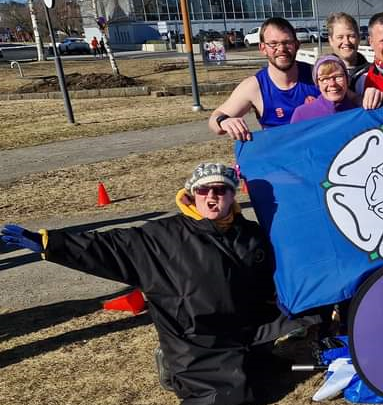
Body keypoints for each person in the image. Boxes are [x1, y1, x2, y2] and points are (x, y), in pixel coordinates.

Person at [0, 163, 319, 405]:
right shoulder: (160, 237)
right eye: (204, 190)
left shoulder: (251, 234)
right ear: (192, 195)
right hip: (197, 340)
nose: (212, 197)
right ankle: (175, 368)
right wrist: (49, 243)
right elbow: (106, 247)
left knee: (273, 377)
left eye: (220, 190)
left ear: (233, 195)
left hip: (247, 331)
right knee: (230, 397)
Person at [209, 17, 320, 141]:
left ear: (297, 45)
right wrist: (224, 121)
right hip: (281, 156)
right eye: (273, 44)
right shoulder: (254, 86)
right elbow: (214, 120)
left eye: (287, 42)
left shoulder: (318, 75)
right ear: (263, 48)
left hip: (321, 154)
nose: (281, 49)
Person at [291, 55, 360, 123]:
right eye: (325, 79)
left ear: (347, 79)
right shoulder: (302, 114)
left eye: (338, 77)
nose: (332, 84)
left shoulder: (359, 111)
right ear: (317, 84)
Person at [326, 12, 370, 89]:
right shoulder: (322, 74)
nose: (346, 42)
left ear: (358, 38)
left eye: (351, 36)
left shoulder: (372, 74)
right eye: (340, 37)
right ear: (331, 40)